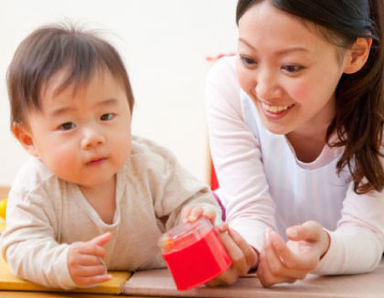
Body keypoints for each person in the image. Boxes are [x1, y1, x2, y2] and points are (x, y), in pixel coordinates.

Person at [0, 23, 224, 289]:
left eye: (106, 116)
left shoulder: (149, 164)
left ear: (129, 111)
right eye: (67, 125)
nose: (93, 137)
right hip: (86, 290)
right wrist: (61, 262)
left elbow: (195, 200)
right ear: (28, 139)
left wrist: (196, 218)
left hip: (159, 281)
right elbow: (20, 247)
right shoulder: (35, 186)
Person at [205, 0, 384, 287]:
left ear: (355, 54)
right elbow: (248, 210)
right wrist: (247, 253)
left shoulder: (377, 110)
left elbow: (367, 234)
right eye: (248, 59)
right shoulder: (227, 85)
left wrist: (324, 249)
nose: (264, 89)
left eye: (291, 67)